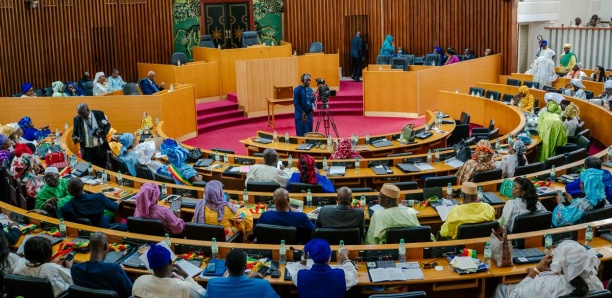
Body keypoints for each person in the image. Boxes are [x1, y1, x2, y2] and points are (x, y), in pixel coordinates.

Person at [494, 240, 603, 298]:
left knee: (501, 288)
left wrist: (535, 271)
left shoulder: (544, 284)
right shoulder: (595, 282)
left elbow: (516, 296)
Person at [287, 239, 358, 297]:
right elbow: (354, 277)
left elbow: (299, 270)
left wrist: (304, 259)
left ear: (310, 256)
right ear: (329, 257)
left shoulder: (299, 276)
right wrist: (345, 259)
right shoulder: (342, 275)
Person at [365, 184, 433, 244]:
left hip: (386, 251)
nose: (377, 199)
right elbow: (420, 231)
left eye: (379, 197)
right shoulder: (410, 211)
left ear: (387, 200)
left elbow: (371, 242)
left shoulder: (377, 214)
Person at [132, 243, 205, 298]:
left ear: (150, 266)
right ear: (170, 262)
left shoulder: (139, 281)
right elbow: (203, 294)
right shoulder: (183, 287)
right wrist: (186, 276)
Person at [71, 232, 133, 298]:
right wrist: (121, 272)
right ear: (106, 246)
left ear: (88, 246)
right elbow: (131, 292)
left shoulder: (75, 269)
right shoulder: (115, 269)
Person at [204, 249, 279, 298]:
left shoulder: (212, 284)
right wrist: (247, 278)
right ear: (245, 267)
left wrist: (247, 277)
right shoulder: (263, 285)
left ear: (226, 266)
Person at [72, 103, 111, 168]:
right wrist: (75, 138)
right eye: (80, 115)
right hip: (87, 151)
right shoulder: (77, 119)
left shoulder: (99, 114)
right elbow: (74, 133)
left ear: (87, 110)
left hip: (100, 148)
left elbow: (107, 125)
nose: (82, 117)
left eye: (83, 114)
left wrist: (103, 134)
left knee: (102, 169)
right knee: (89, 170)